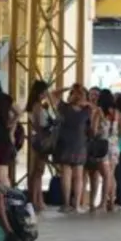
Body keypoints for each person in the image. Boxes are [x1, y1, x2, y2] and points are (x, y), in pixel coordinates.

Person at [50, 84, 90, 213]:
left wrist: (67, 87)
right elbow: (95, 110)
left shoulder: (64, 107)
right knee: (78, 176)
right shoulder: (87, 110)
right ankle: (77, 205)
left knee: (66, 175)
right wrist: (85, 100)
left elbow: (53, 94)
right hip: (80, 144)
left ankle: (66, 204)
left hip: (65, 144)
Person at [26, 79, 51, 212]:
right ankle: (35, 200)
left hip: (37, 139)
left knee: (37, 171)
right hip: (41, 139)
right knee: (38, 171)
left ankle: (38, 199)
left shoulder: (35, 105)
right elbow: (39, 124)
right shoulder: (37, 106)